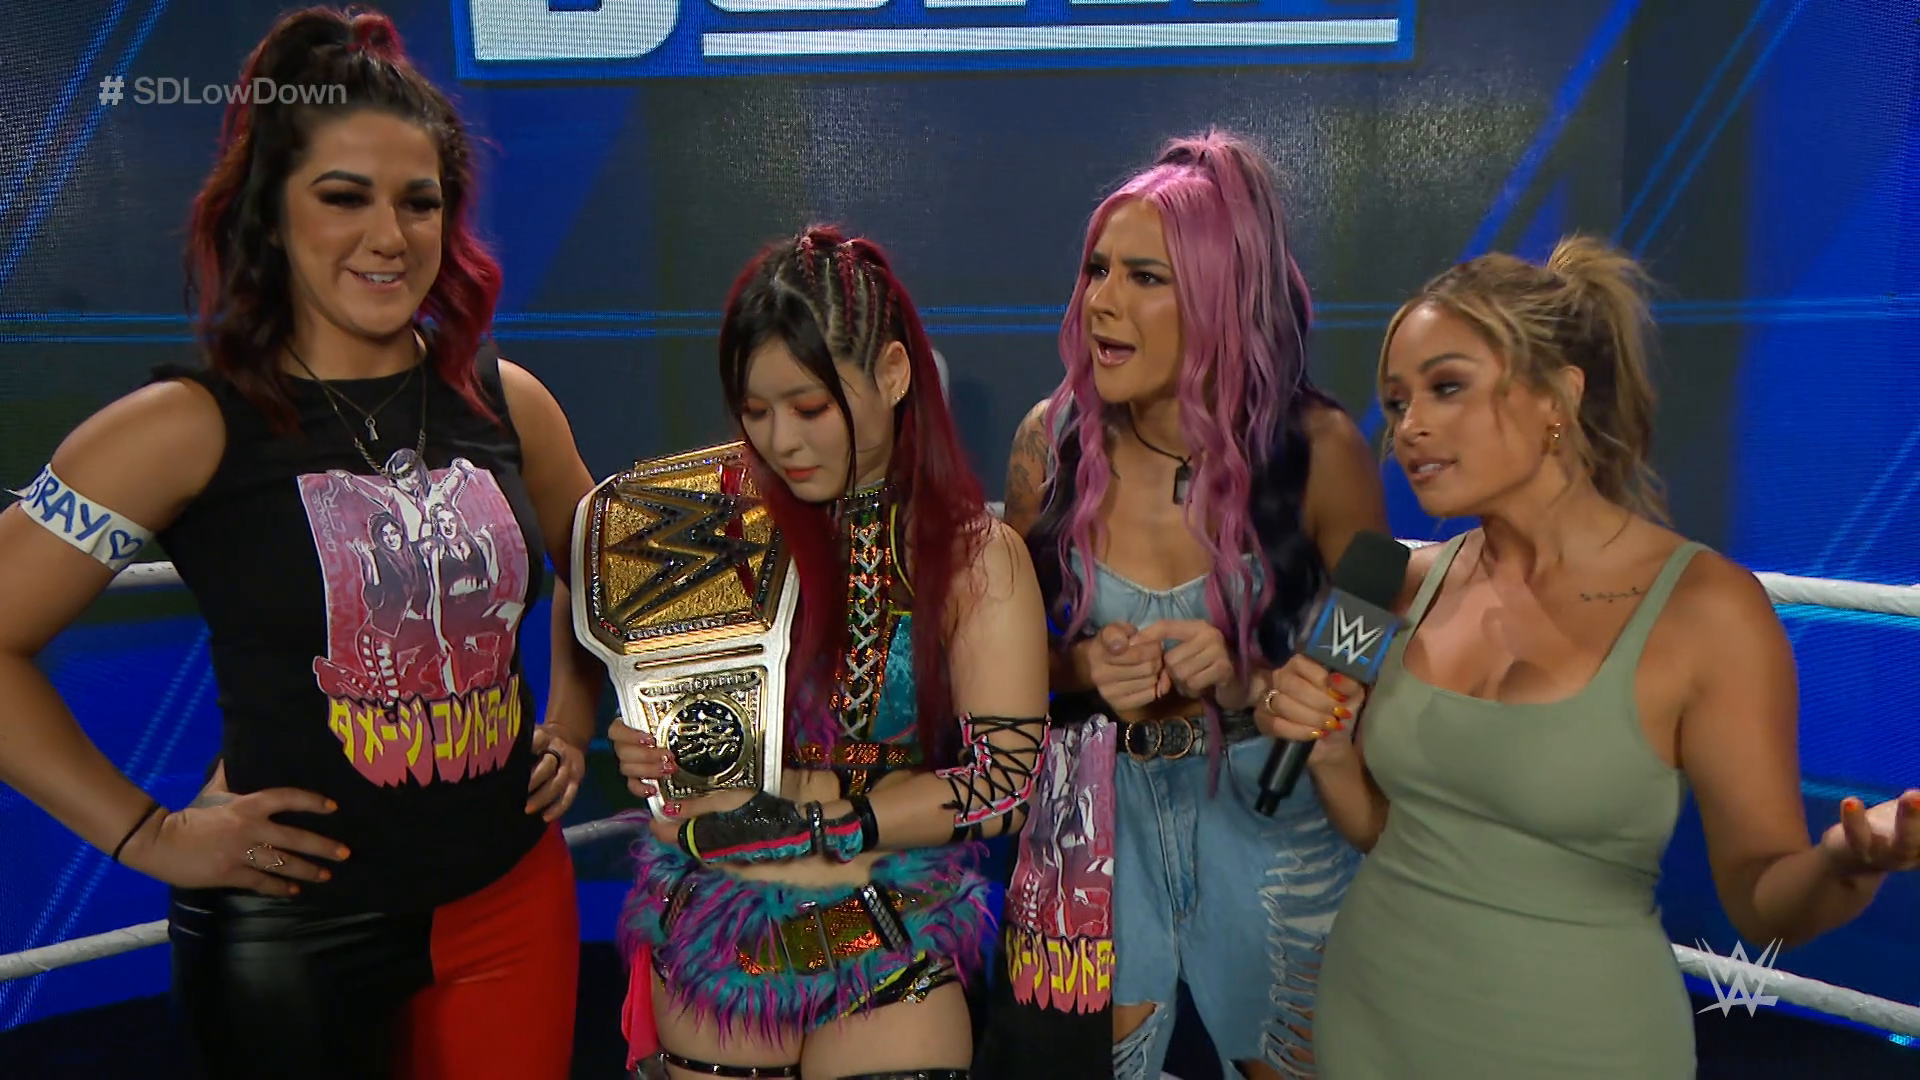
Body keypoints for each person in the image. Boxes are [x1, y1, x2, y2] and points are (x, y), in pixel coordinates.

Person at [0, 9, 603, 1078]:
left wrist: (571, 716)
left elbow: (606, 570)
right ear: (270, 213)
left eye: (420, 201)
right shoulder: (182, 427)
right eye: (344, 196)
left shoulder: (509, 401)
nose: (390, 235)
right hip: (293, 936)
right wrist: (148, 836)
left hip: (511, 903)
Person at [1257, 236, 1920, 1078]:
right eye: (1395, 402)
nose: (1409, 428)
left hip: (1579, 1046)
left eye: (1446, 387)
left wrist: (1846, 862)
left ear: (1556, 397)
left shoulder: (1706, 612)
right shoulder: (1396, 580)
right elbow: (1391, 834)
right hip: (1371, 1026)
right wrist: (1328, 754)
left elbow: (1764, 904)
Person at [975, 131, 1390, 1080]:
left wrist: (1258, 678)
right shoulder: (1051, 441)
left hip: (1267, 814)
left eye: (1145, 278)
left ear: (1217, 296)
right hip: (1091, 824)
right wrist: (1083, 667)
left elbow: (1366, 641)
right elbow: (1001, 671)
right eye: (1096, 270)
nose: (1101, 301)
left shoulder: (1320, 449)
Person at [605, 225, 1051, 1079]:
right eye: (756, 411)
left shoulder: (974, 558)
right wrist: (656, 753)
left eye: (809, 407)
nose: (781, 442)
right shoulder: (707, 537)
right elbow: (689, 762)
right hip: (723, 932)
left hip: (887, 926)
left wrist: (834, 821)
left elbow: (1005, 782)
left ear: (893, 373)